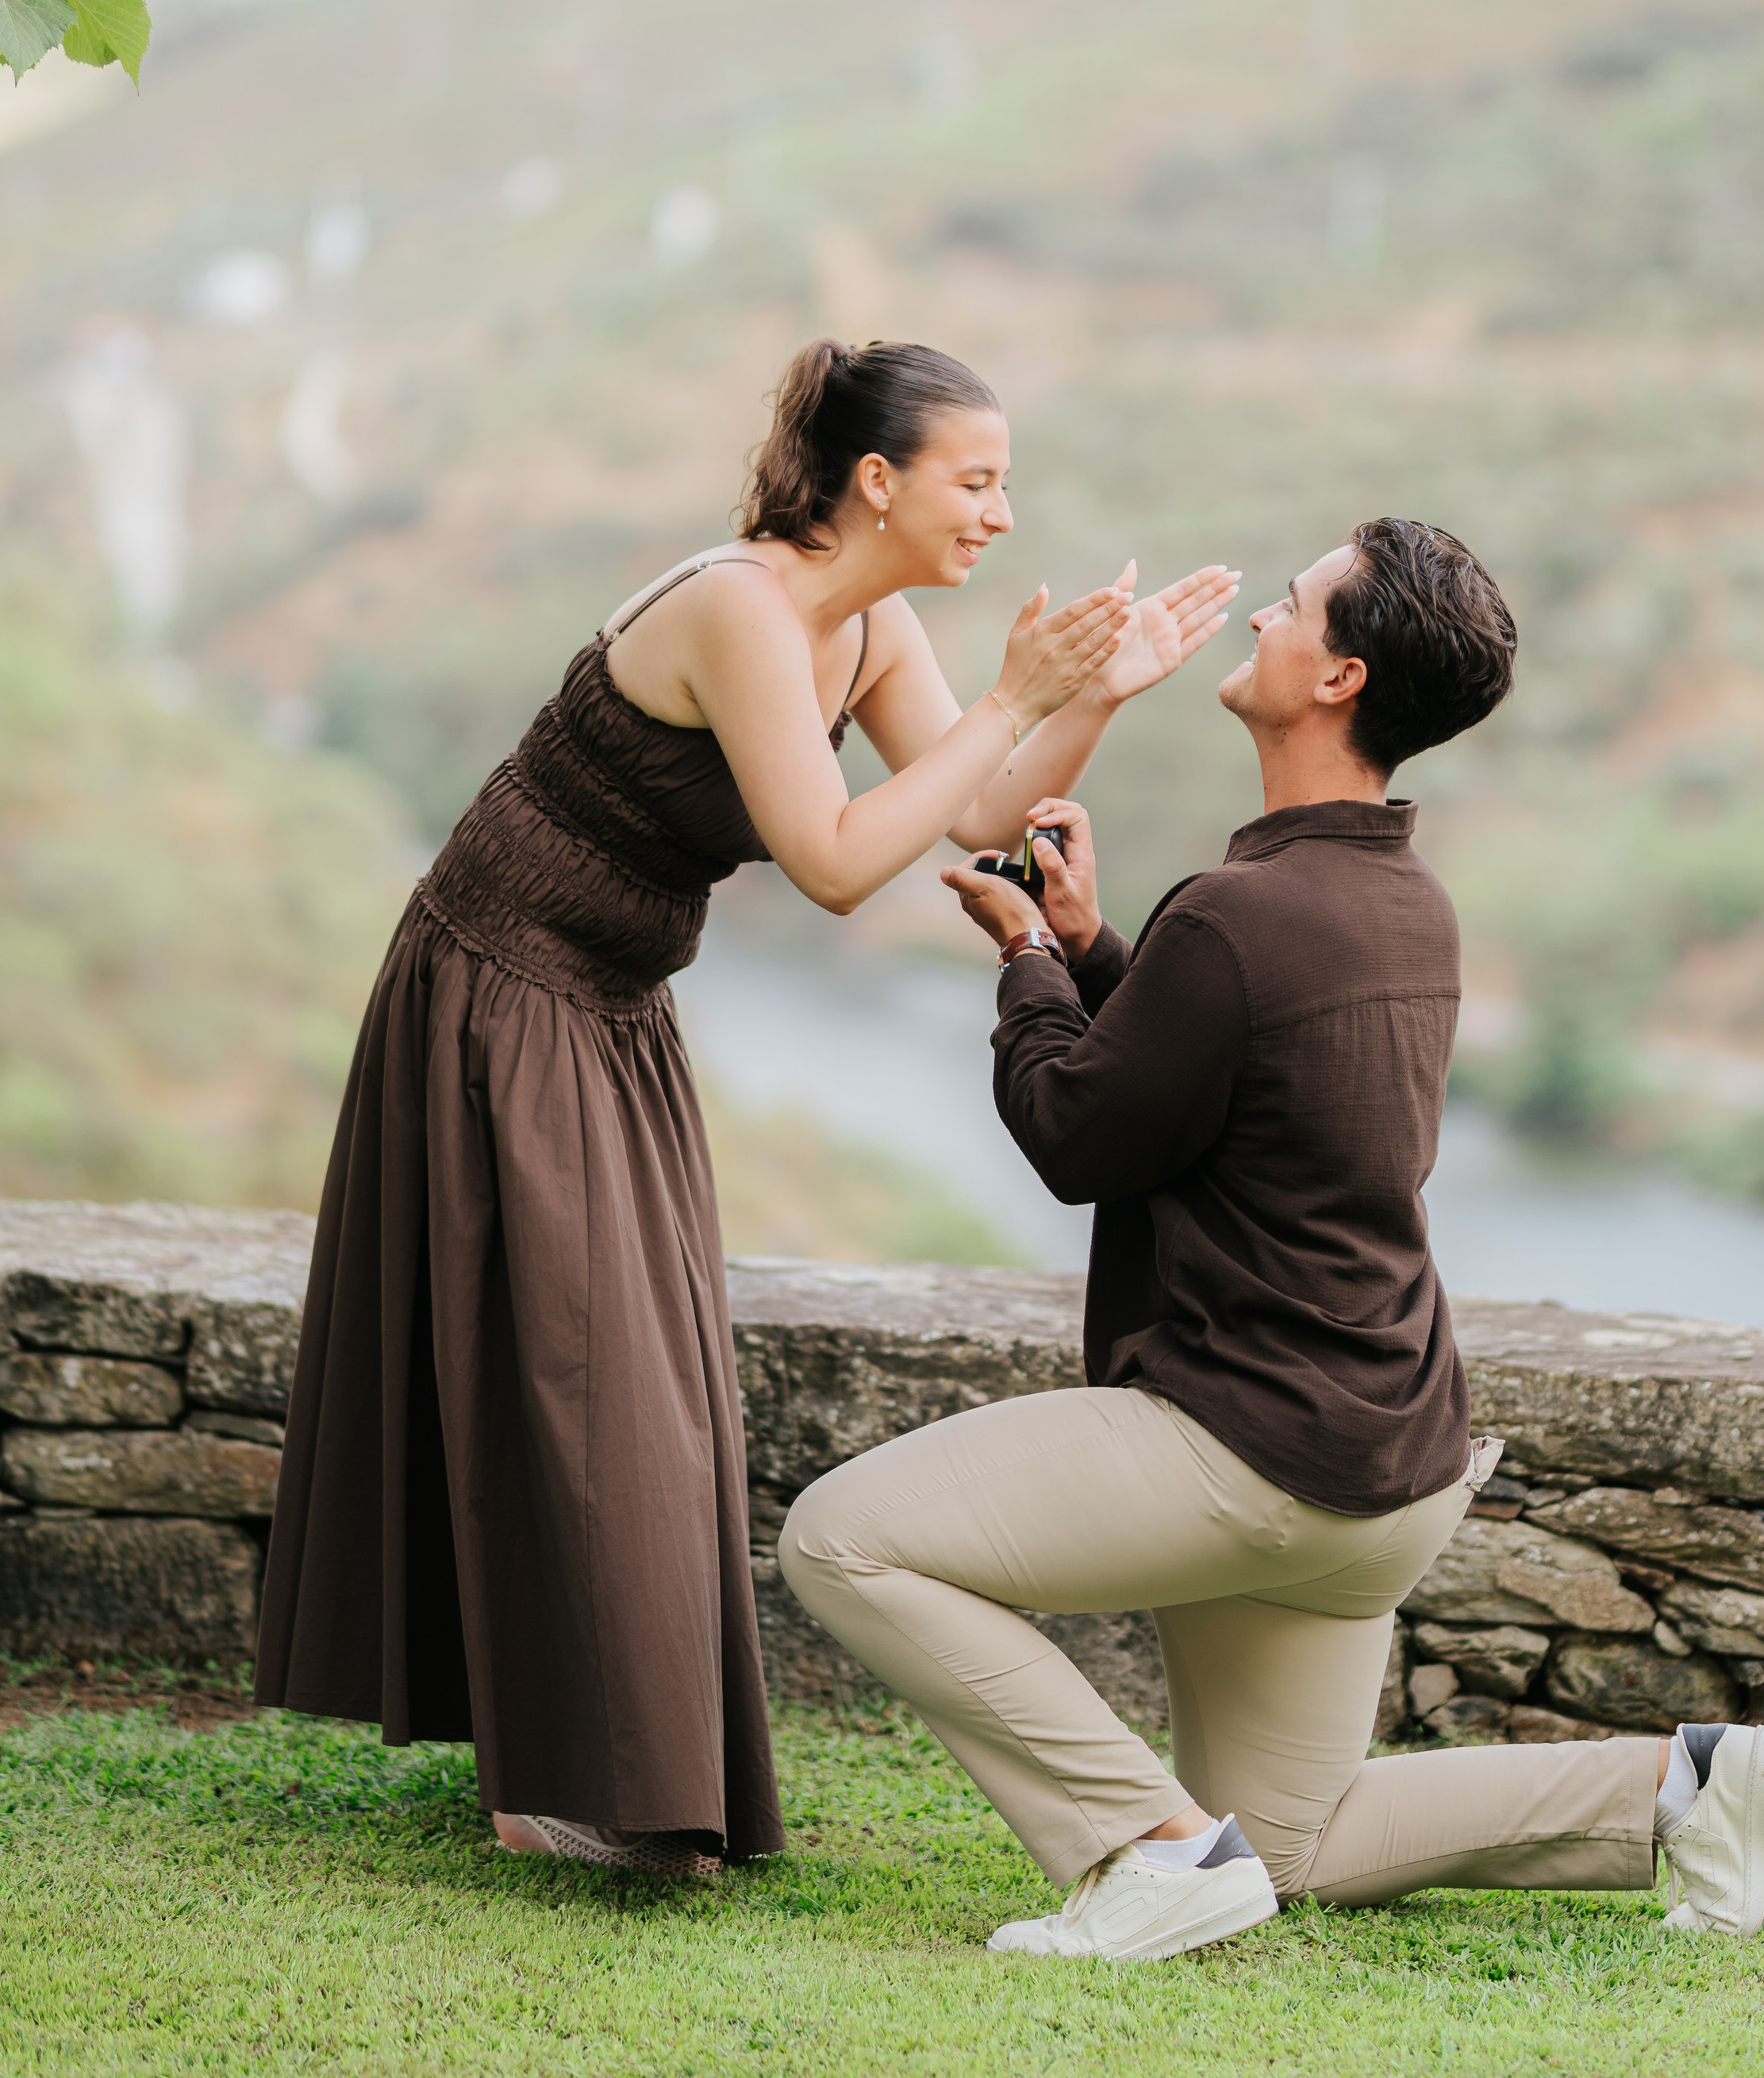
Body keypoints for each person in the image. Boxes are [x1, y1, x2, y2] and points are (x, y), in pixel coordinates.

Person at [256, 337, 1238, 1878]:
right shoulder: (737, 608)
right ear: (875, 482)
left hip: (614, 1004)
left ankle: (584, 1767)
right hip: (499, 983)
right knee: (580, 1388)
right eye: (974, 481)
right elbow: (838, 860)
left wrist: (1088, 699)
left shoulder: (873, 627)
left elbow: (974, 815)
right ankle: (574, 1778)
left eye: (1002, 485)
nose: (996, 512)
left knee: (631, 1387)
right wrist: (1011, 698)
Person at [779, 517, 1764, 1958]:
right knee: (1294, 1845)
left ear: (1341, 676)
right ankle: (1679, 1791)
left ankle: (1152, 1847)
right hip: (1386, 1465)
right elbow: (1230, 1093)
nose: (1264, 615)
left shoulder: (1243, 916)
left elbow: (1080, 1134)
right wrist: (1097, 949)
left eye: (1296, 605)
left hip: (1248, 1447)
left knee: (845, 1541)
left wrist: (1023, 960)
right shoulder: (1407, 908)